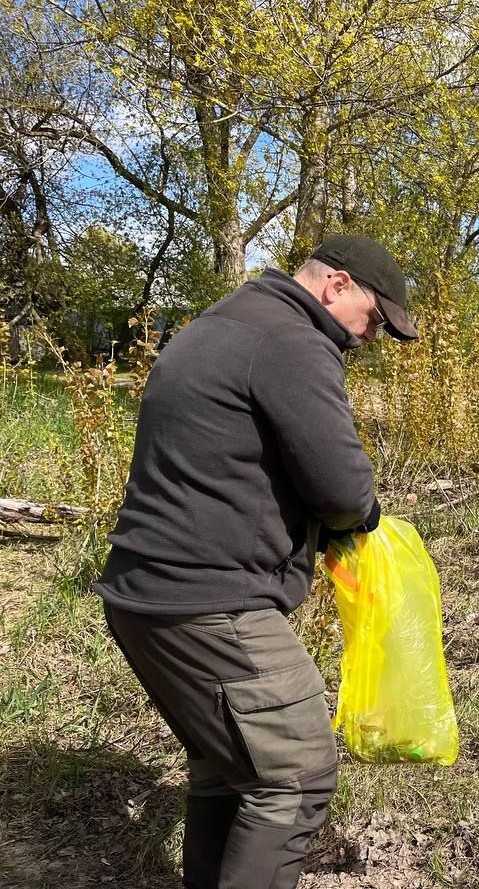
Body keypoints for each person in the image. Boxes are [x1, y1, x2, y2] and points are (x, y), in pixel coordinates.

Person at [93, 234, 418, 889]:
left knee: (230, 768)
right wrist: (364, 520)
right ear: (336, 286)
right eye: (375, 319)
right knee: (298, 772)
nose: (371, 337)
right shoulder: (293, 340)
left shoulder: (223, 320)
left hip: (142, 596)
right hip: (206, 604)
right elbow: (343, 490)